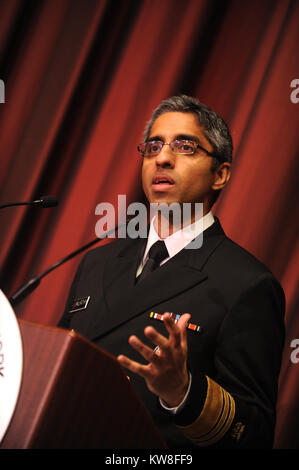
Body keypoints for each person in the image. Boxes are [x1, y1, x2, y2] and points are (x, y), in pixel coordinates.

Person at [58, 95, 285, 448]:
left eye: (185, 146)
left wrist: (183, 392)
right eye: (153, 146)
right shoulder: (98, 260)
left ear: (220, 174)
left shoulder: (247, 284)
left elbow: (253, 433)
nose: (162, 157)